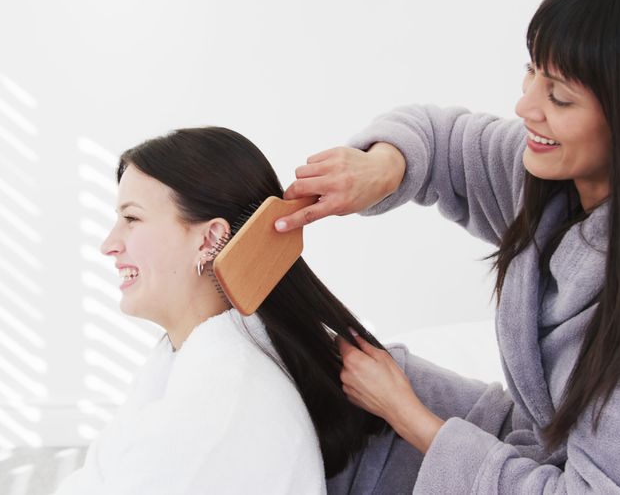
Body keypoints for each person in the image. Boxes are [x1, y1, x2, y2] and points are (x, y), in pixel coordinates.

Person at [277, 0, 620, 493]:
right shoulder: (566, 181)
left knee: (381, 407)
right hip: (542, 459)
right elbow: (444, 142)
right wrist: (380, 168)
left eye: (560, 95)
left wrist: (409, 415)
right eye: (532, 71)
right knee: (323, 380)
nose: (525, 106)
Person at [53, 127, 391, 494]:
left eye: (131, 218)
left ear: (210, 239)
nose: (109, 244)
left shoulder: (214, 415)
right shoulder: (186, 365)